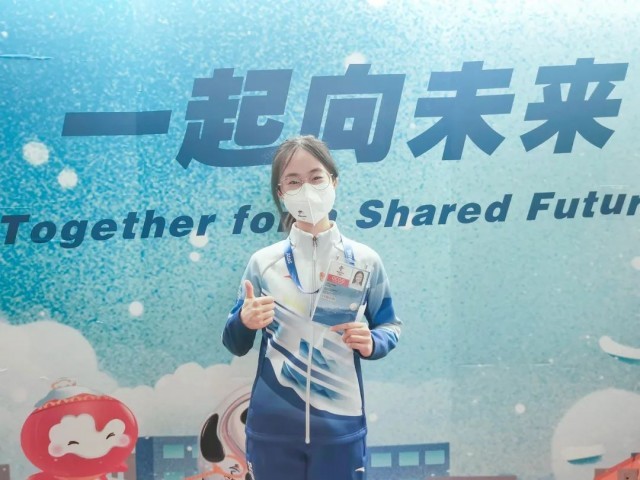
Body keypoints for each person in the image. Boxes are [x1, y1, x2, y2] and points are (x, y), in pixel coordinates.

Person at [222, 135, 402, 480]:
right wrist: (244, 321)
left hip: (340, 428)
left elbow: (389, 325)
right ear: (280, 192)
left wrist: (373, 342)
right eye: (293, 181)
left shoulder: (365, 261)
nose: (306, 189)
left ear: (334, 181)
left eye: (316, 177)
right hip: (273, 430)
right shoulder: (263, 263)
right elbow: (235, 343)